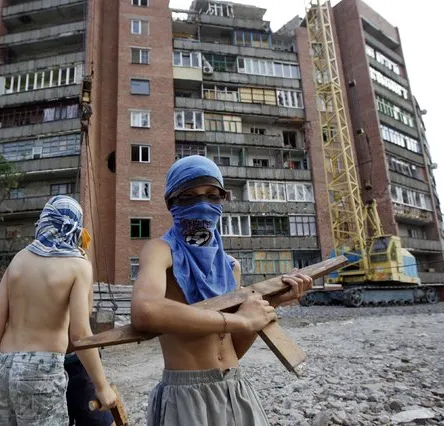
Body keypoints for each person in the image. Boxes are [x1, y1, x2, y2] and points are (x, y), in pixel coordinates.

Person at [131, 155, 313, 426]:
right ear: (171, 203)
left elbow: (233, 348)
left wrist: (268, 306)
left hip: (235, 389)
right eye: (189, 196)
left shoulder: (230, 267)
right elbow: (145, 311)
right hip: (186, 396)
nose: (203, 204)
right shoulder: (161, 251)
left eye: (212, 195)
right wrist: (241, 319)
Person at [0, 195, 116, 425]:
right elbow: (80, 334)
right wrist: (102, 387)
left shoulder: (19, 259)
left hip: (2, 364)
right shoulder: (78, 266)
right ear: (76, 228)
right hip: (41, 368)